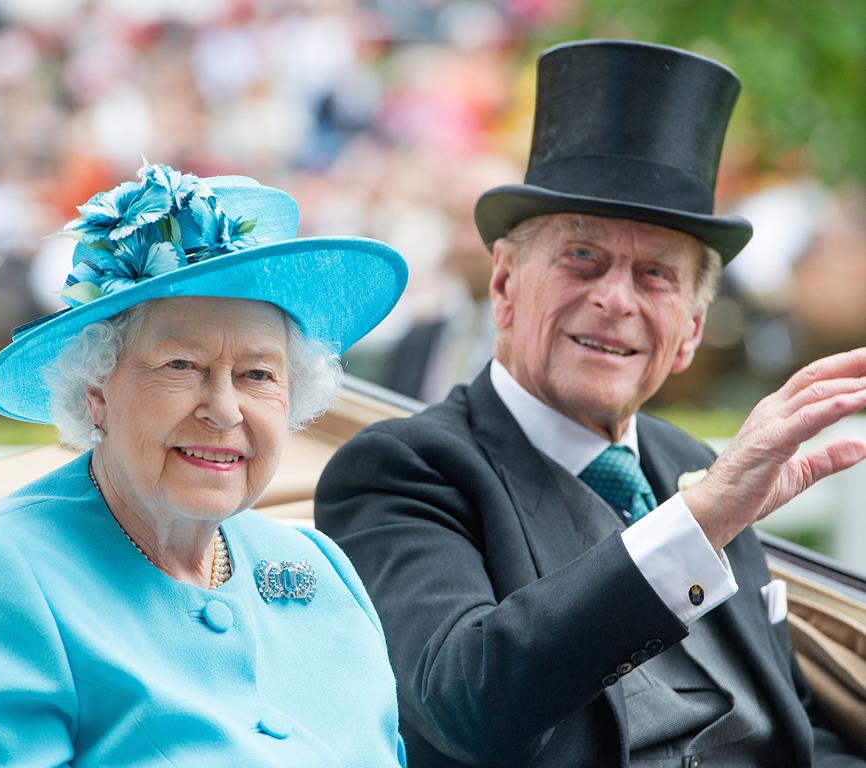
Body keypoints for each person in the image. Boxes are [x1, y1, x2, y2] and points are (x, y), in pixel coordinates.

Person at [315, 40, 866, 767]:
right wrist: (702, 519)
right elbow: (468, 703)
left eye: (655, 274)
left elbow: (785, 725)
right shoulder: (402, 470)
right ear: (505, 286)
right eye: (582, 256)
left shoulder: (692, 464)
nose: (614, 298)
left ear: (691, 331)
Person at [0, 162, 408, 767]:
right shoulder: (2, 570)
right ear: (97, 390)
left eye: (258, 376)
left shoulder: (321, 566)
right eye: (180, 366)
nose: (224, 410)